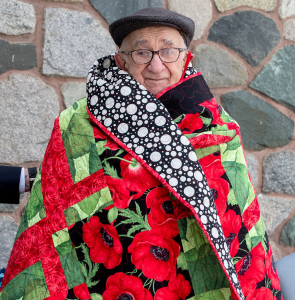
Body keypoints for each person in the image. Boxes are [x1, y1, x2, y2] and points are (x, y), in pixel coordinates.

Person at [0, 7, 282, 300]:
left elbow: (241, 223)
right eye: (142, 52)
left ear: (187, 58)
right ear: (121, 62)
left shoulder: (220, 127)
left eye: (168, 50)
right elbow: (58, 206)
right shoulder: (77, 124)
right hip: (117, 280)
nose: (156, 65)